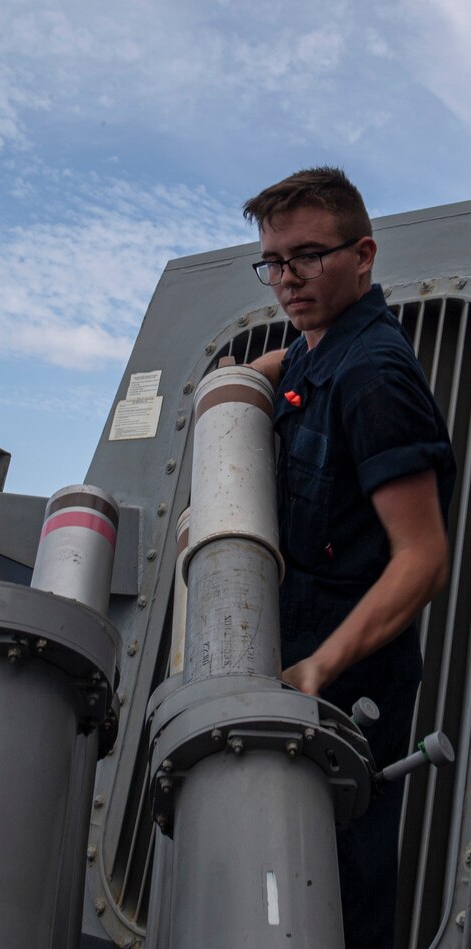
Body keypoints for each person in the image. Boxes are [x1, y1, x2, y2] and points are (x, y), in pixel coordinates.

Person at [242, 167, 456, 949]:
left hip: (347, 678)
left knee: (336, 882)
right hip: (305, 650)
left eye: (306, 256)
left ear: (362, 255)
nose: (286, 280)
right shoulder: (319, 346)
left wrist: (318, 667)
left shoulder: (373, 378)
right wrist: (236, 383)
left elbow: (422, 559)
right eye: (272, 261)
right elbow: (285, 366)